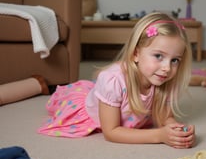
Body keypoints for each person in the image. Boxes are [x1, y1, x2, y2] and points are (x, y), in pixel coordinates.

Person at [38, 12, 195, 149]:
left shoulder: (164, 79)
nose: (167, 67)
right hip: (86, 109)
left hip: (116, 93)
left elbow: (165, 116)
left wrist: (175, 131)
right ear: (136, 54)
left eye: (175, 60)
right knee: (60, 103)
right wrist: (159, 136)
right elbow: (111, 132)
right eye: (158, 56)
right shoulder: (113, 80)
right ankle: (45, 86)